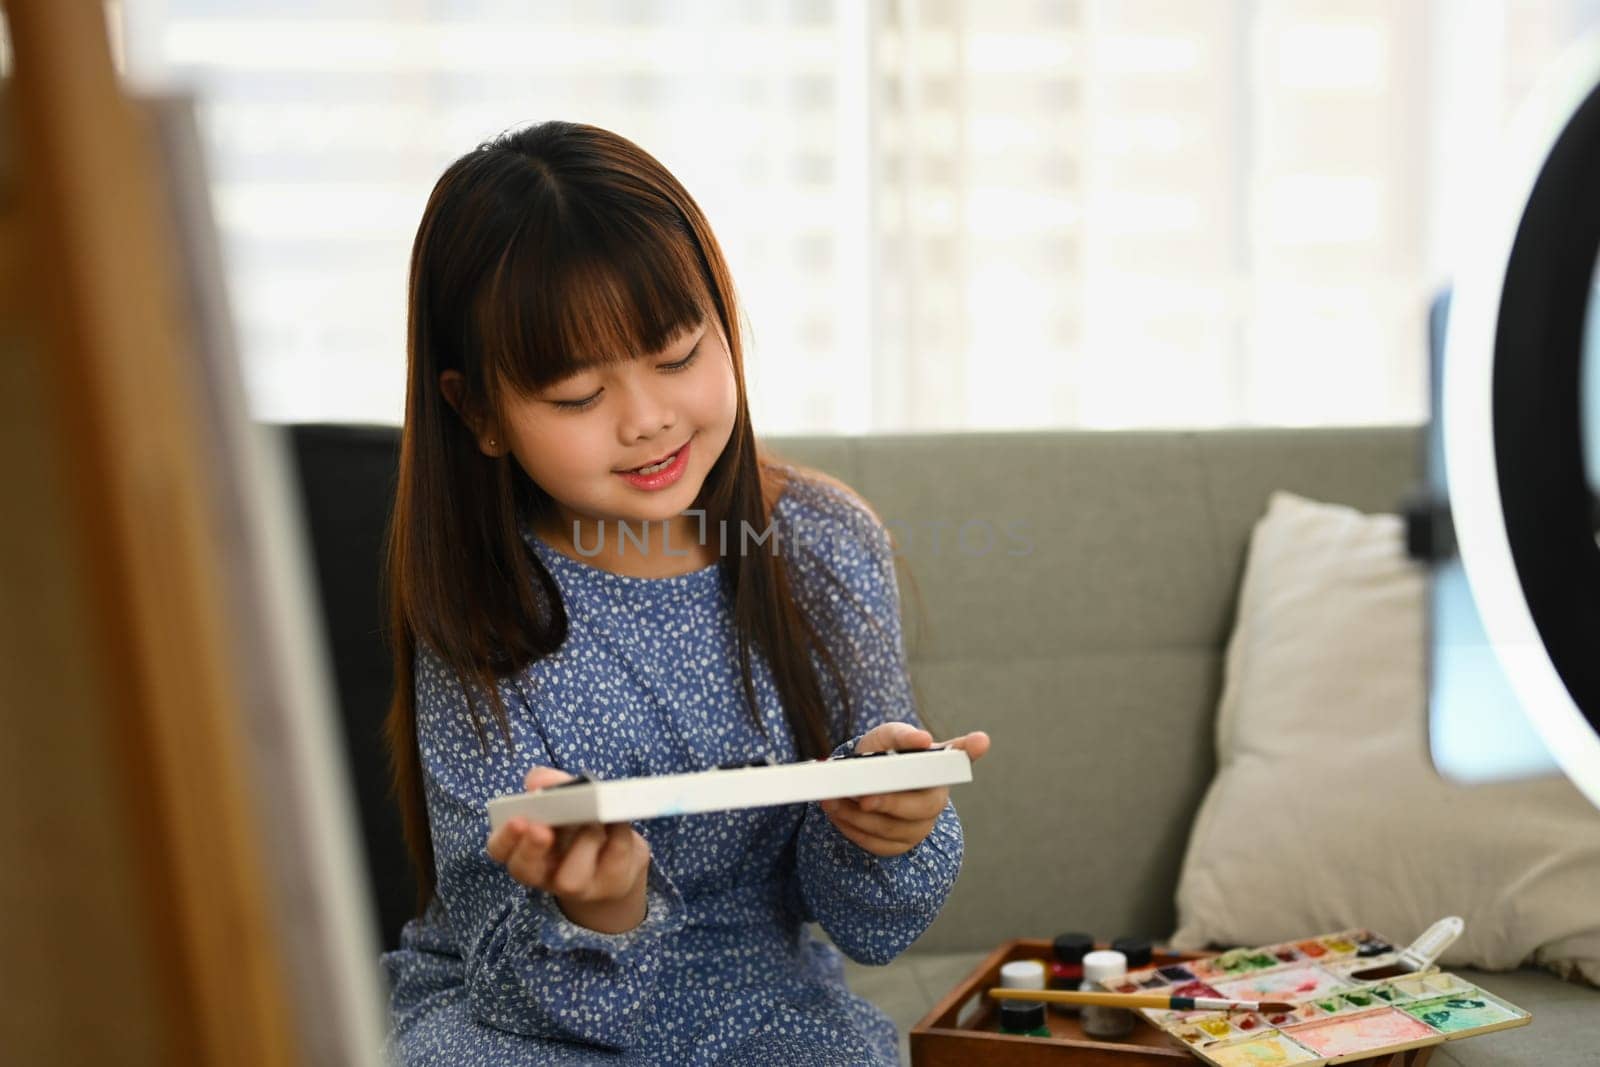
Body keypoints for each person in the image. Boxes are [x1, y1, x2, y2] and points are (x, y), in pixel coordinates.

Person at [379, 120, 991, 1066]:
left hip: (767, 1008)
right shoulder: (478, 605)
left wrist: (886, 828)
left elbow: (872, 928)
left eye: (677, 355)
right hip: (524, 1020)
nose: (649, 418)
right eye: (580, 395)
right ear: (479, 412)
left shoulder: (821, 546)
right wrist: (600, 902)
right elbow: (500, 964)